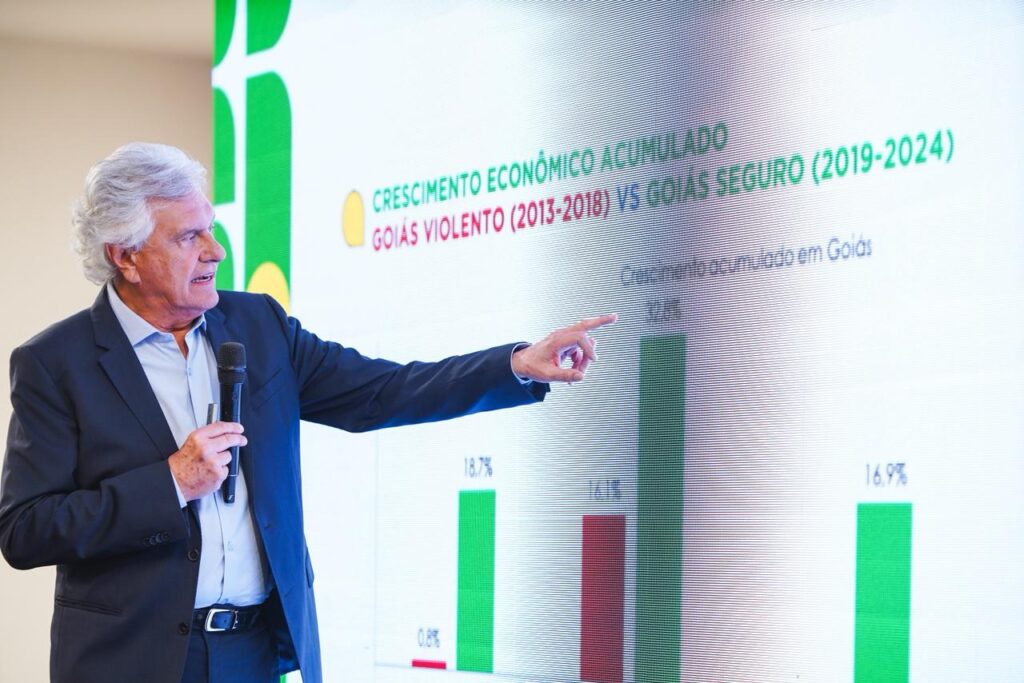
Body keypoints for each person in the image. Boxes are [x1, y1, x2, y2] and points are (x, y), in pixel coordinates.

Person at [0, 142, 616, 683]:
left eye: (210, 229)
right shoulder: (56, 364)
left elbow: (384, 391)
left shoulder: (258, 325)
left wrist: (515, 364)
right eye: (188, 238)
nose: (215, 251)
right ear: (126, 256)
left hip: (252, 653)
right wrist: (171, 483)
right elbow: (25, 530)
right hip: (130, 661)